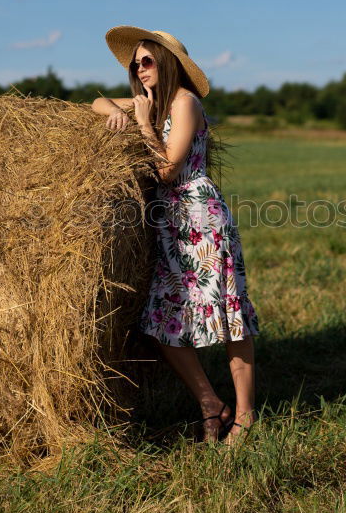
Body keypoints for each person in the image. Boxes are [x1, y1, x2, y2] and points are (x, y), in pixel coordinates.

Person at [90, 26, 260, 444]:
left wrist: (143, 123)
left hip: (200, 217)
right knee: (162, 320)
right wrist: (113, 109)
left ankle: (244, 414)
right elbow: (91, 102)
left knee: (228, 318)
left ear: (166, 62)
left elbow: (166, 168)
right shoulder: (154, 104)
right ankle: (209, 403)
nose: (139, 69)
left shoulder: (185, 103)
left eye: (146, 61)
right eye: (135, 63)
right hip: (169, 221)